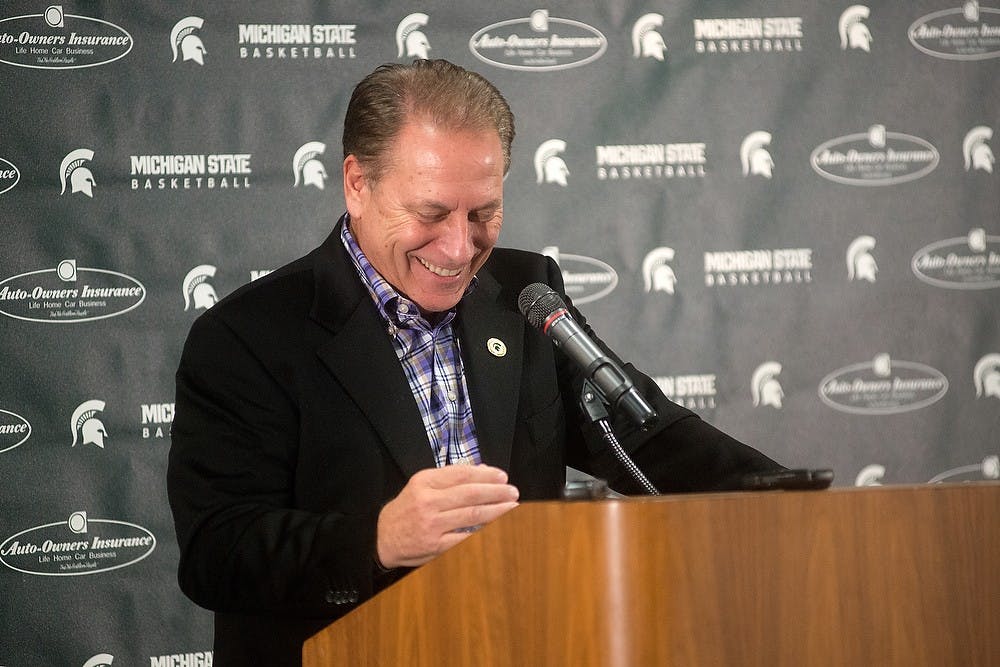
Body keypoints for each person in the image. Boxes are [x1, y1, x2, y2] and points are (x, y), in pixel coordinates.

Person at [167, 59, 784, 666]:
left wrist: (792, 504)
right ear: (357, 184)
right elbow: (216, 552)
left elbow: (644, 437)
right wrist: (379, 540)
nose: (461, 247)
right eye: (431, 213)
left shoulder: (526, 291)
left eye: (483, 212)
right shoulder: (247, 336)